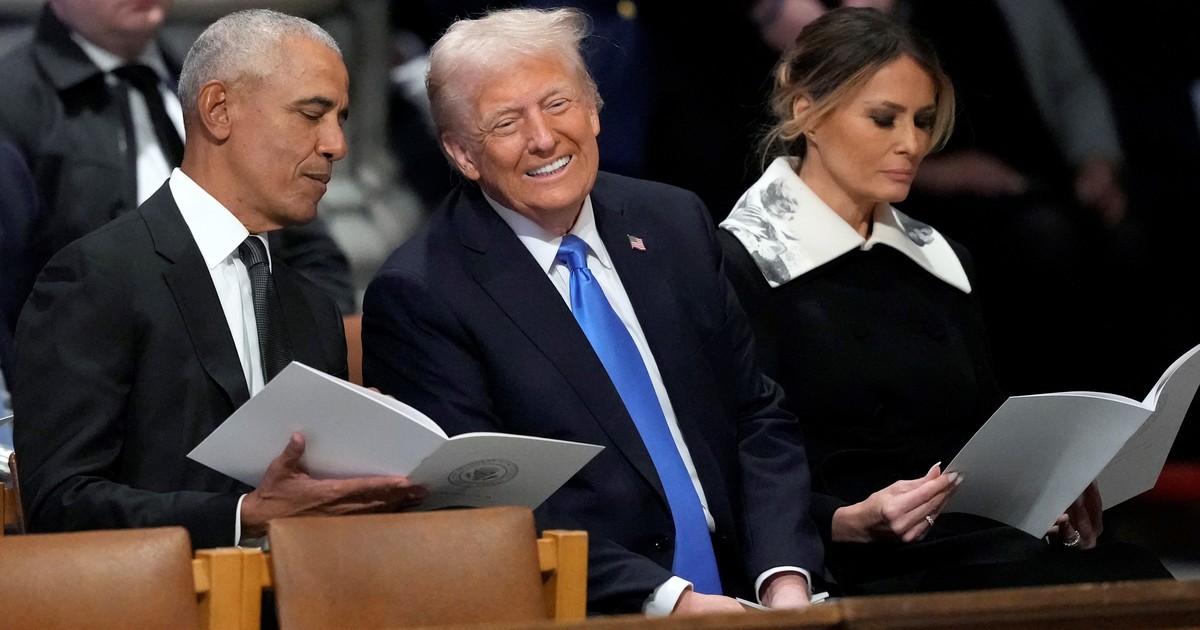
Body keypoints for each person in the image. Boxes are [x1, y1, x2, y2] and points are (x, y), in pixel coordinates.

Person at [362, 6, 824, 616]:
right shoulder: (422, 294)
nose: (543, 138)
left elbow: (756, 414)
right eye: (506, 122)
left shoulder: (675, 222)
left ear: (595, 109)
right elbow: (482, 503)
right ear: (462, 153)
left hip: (755, 590)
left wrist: (784, 579)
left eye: (558, 104)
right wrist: (673, 603)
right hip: (592, 611)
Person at [718, 6, 1172, 594]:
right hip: (838, 561)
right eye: (884, 119)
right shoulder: (740, 259)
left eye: (924, 121)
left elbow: (977, 437)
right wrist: (845, 519)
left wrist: (1042, 494)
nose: (912, 144)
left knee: (1135, 577)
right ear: (807, 111)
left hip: (966, 541)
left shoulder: (941, 258)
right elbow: (730, 461)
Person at [12, 8, 428, 551]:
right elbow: (58, 504)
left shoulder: (312, 307)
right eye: (311, 114)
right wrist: (240, 516)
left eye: (341, 119)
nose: (336, 145)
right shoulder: (96, 278)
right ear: (218, 110)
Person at [0, 0, 357, 319]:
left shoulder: (218, 76)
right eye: (312, 114)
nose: (335, 144)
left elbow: (308, 248)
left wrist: (308, 347)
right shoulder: (14, 103)